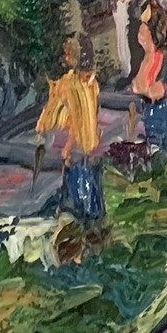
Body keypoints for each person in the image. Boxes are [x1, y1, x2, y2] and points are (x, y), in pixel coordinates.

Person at [36, 31, 105, 226]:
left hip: (79, 146)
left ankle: (84, 220)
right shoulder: (90, 82)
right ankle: (90, 220)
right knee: (87, 184)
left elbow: (78, 120)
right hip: (89, 144)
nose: (65, 58)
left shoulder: (73, 85)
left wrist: (68, 145)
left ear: (77, 56)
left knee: (81, 189)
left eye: (68, 54)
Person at [132, 0, 167, 163]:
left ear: (153, 32)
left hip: (163, 126)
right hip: (152, 124)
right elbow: (139, 86)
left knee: (163, 160)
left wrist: (144, 89)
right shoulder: (147, 58)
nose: (140, 30)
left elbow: (153, 89)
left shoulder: (158, 58)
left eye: (144, 25)